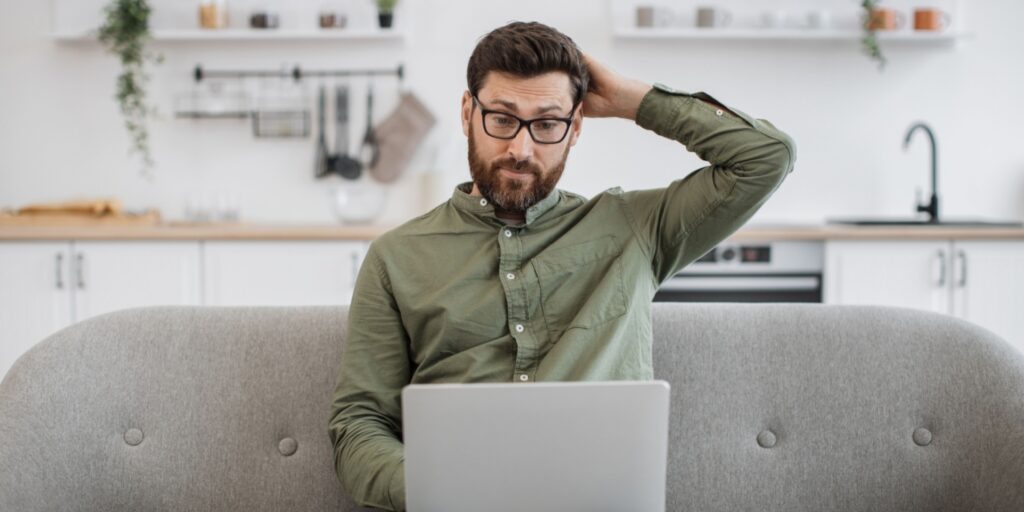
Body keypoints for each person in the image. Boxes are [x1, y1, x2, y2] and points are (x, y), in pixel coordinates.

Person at [328, 21, 795, 511]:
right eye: (502, 119)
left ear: (575, 129)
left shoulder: (633, 228)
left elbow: (765, 158)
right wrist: (441, 489)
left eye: (547, 124)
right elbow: (358, 424)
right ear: (468, 113)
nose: (520, 150)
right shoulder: (395, 257)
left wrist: (632, 100)